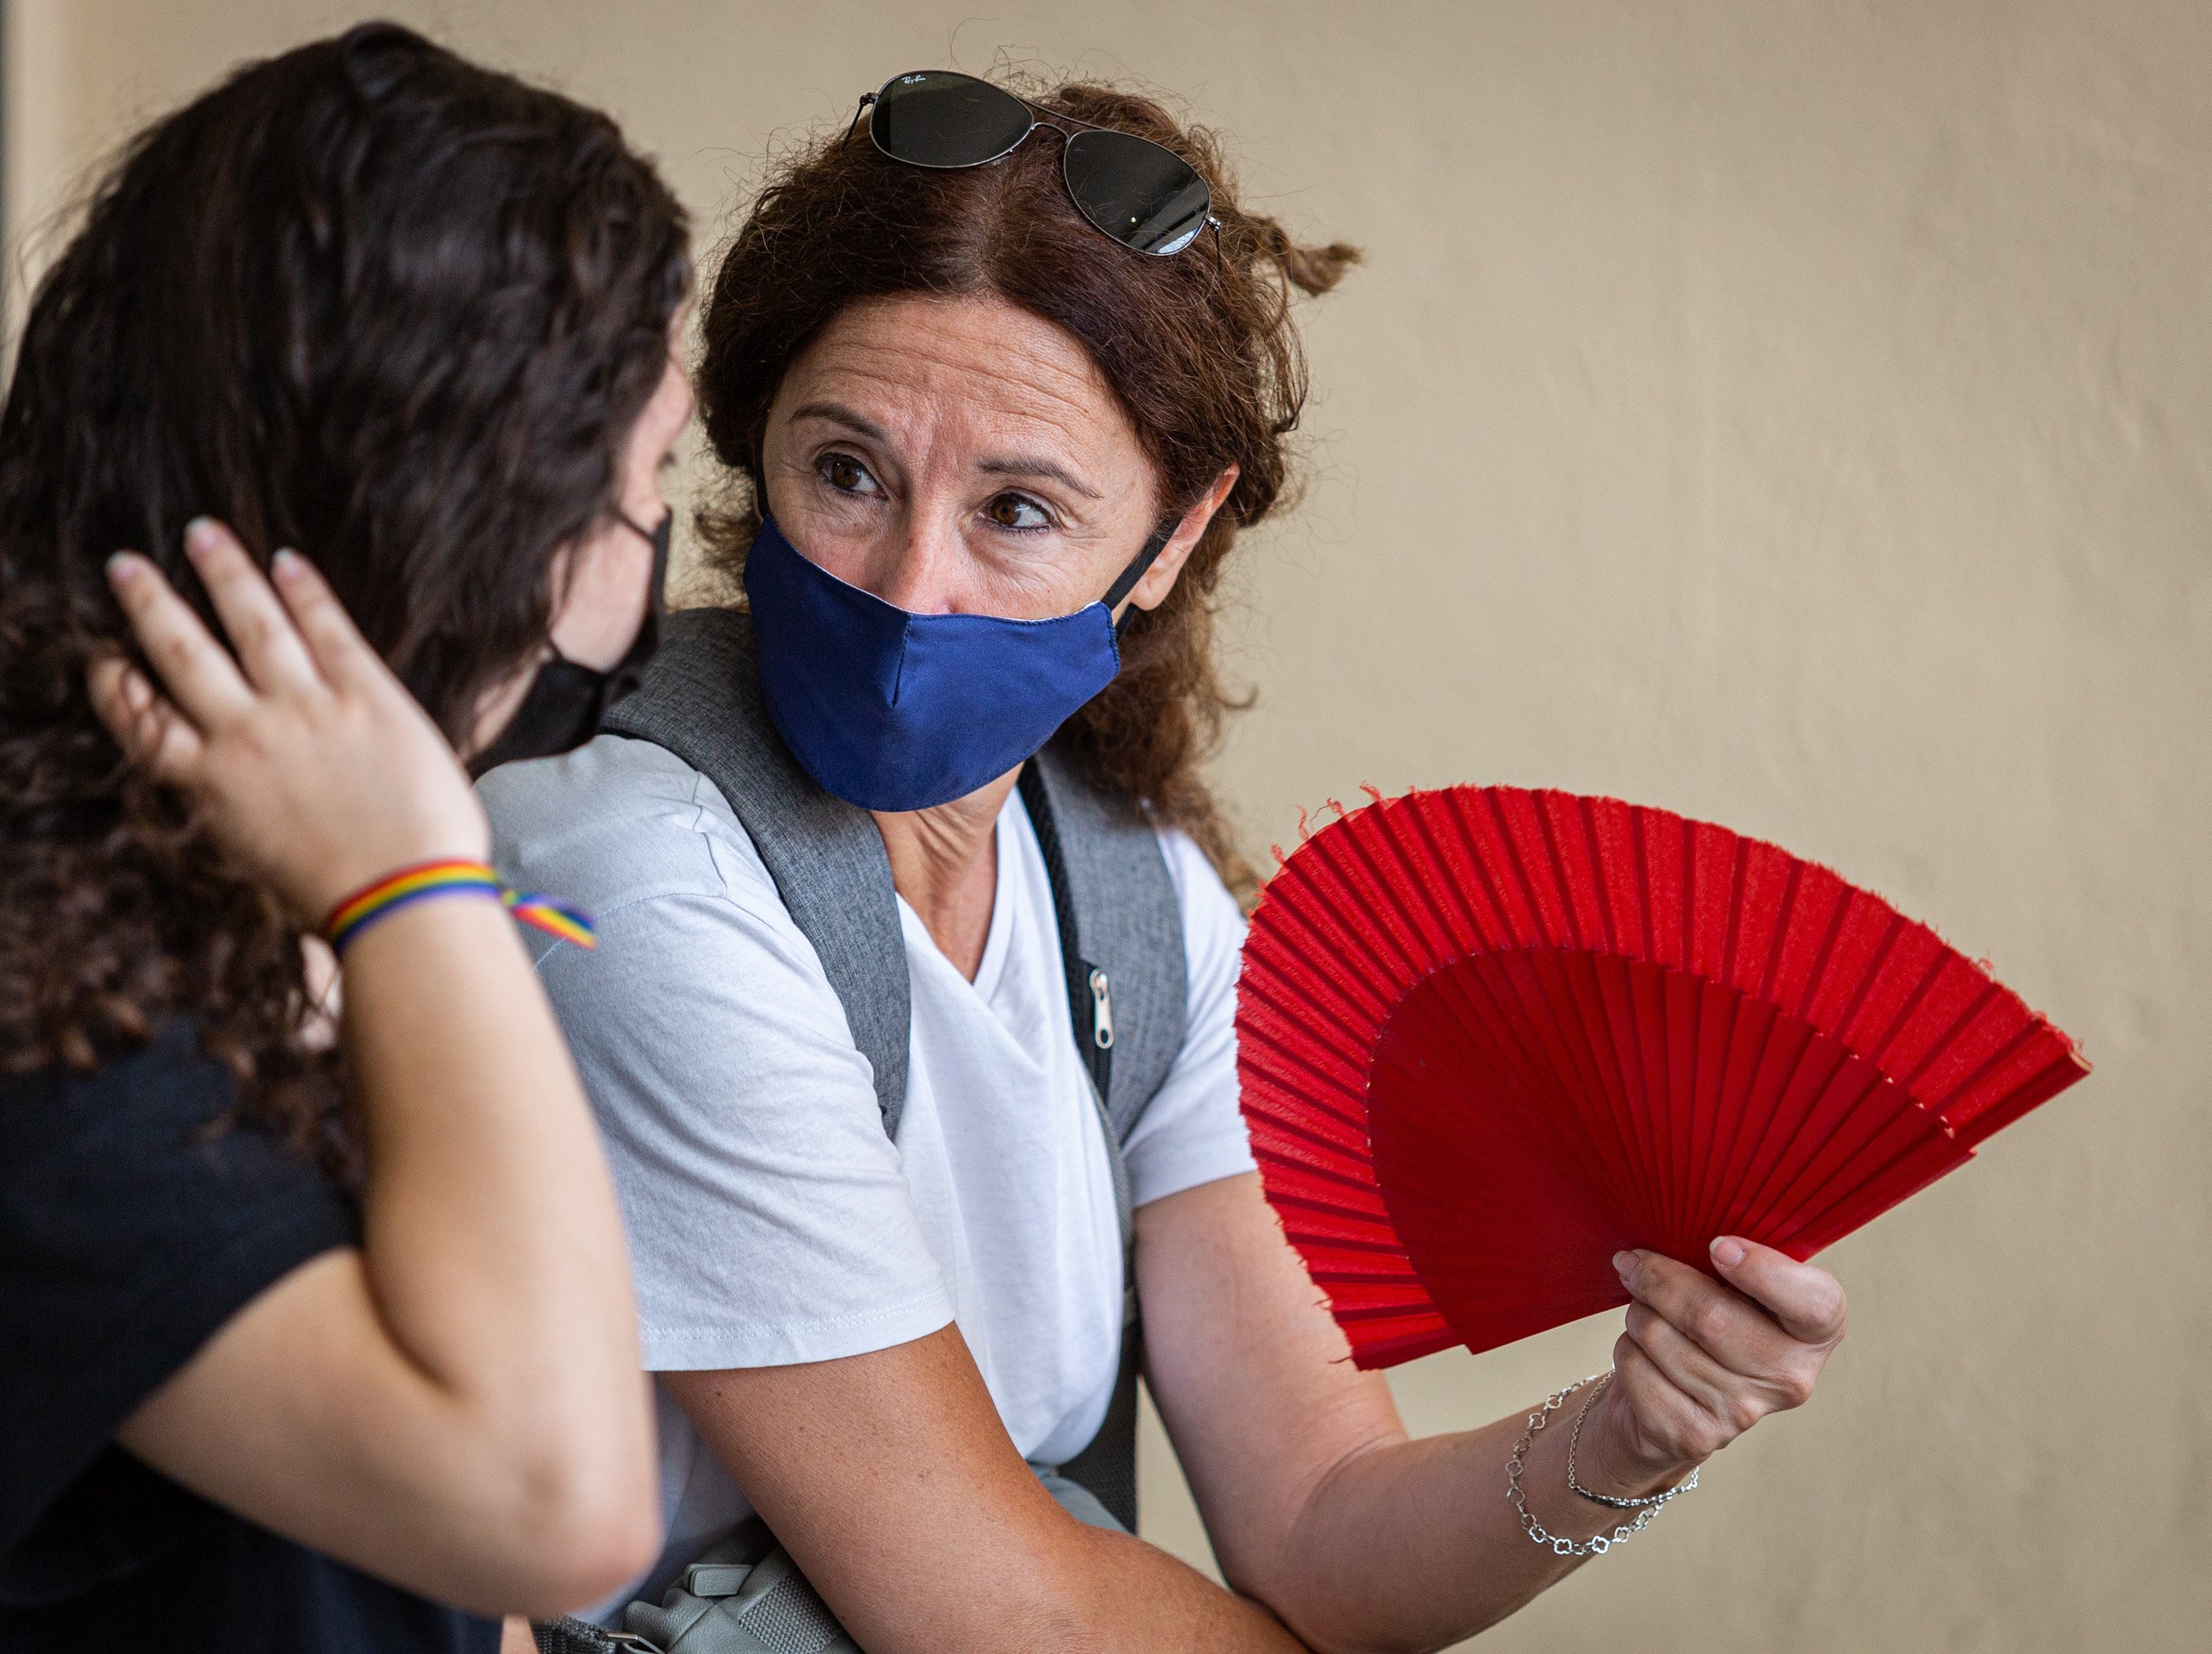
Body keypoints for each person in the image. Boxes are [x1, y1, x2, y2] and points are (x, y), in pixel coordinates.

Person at [485, 70, 1849, 1651]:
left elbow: (1325, 1511)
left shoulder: (1131, 893)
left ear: (1174, 537)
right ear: (750, 439)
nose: (912, 584)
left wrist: (1632, 1439)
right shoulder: (627, 862)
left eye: (1019, 510)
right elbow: (998, 1608)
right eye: (846, 470)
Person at [0, 25, 693, 1651]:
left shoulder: (219, 902)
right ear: (482, 518)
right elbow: (559, 1506)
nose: (651, 558)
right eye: (646, 477)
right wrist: (416, 871)